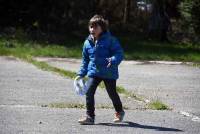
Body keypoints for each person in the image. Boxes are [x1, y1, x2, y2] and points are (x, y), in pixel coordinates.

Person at [77, 15, 125, 125]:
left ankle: (119, 111)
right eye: (91, 27)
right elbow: (85, 60)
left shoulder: (111, 40)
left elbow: (119, 53)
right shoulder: (87, 43)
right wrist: (80, 74)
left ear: (102, 28)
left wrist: (112, 60)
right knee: (89, 91)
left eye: (95, 27)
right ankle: (90, 117)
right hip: (94, 72)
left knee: (112, 93)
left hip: (109, 72)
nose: (92, 29)